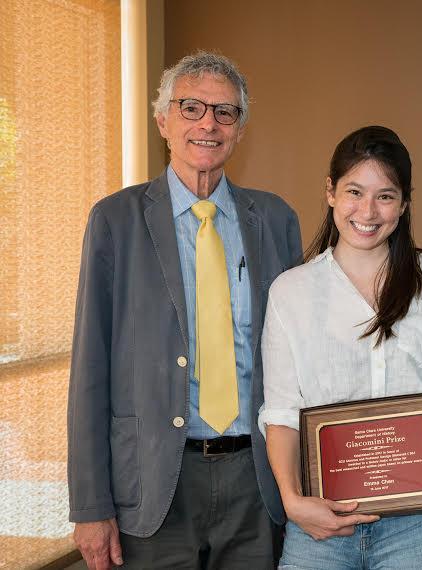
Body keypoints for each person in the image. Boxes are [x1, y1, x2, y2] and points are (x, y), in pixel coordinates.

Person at [67, 51, 302, 570]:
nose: (208, 124)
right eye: (191, 107)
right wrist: (90, 506)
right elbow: (89, 370)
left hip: (257, 478)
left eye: (225, 112)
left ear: (240, 129)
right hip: (153, 483)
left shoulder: (276, 220)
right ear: (162, 121)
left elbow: (302, 360)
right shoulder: (115, 221)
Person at [260, 125, 422, 569]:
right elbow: (281, 411)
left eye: (385, 196)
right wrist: (291, 499)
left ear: (404, 203)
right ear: (330, 192)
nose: (368, 211)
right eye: (354, 192)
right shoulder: (292, 291)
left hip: (416, 525)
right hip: (319, 520)